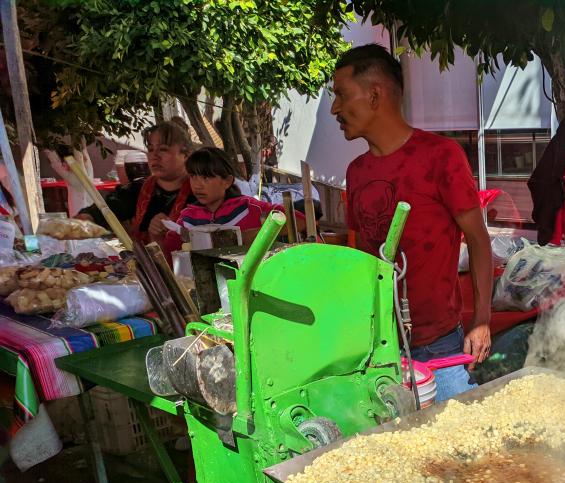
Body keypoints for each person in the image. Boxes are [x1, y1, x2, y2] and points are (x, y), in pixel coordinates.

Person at [331, 44, 493, 403]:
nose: (335, 109)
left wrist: (482, 320)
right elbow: (360, 255)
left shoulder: (440, 156)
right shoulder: (356, 173)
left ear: (375, 95)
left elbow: (480, 241)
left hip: (438, 345)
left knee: (460, 440)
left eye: (341, 95)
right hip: (377, 346)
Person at [161, 146, 302, 254]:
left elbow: (300, 221)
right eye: (193, 176)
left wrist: (247, 236)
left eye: (206, 178)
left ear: (227, 181)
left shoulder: (250, 208)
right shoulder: (187, 218)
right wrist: (157, 235)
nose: (197, 185)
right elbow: (168, 257)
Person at [78, 122, 196, 244]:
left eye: (163, 149)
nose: (154, 156)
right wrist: (87, 218)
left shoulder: (199, 191)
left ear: (186, 155)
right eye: (150, 149)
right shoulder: (139, 189)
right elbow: (108, 208)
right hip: (144, 262)